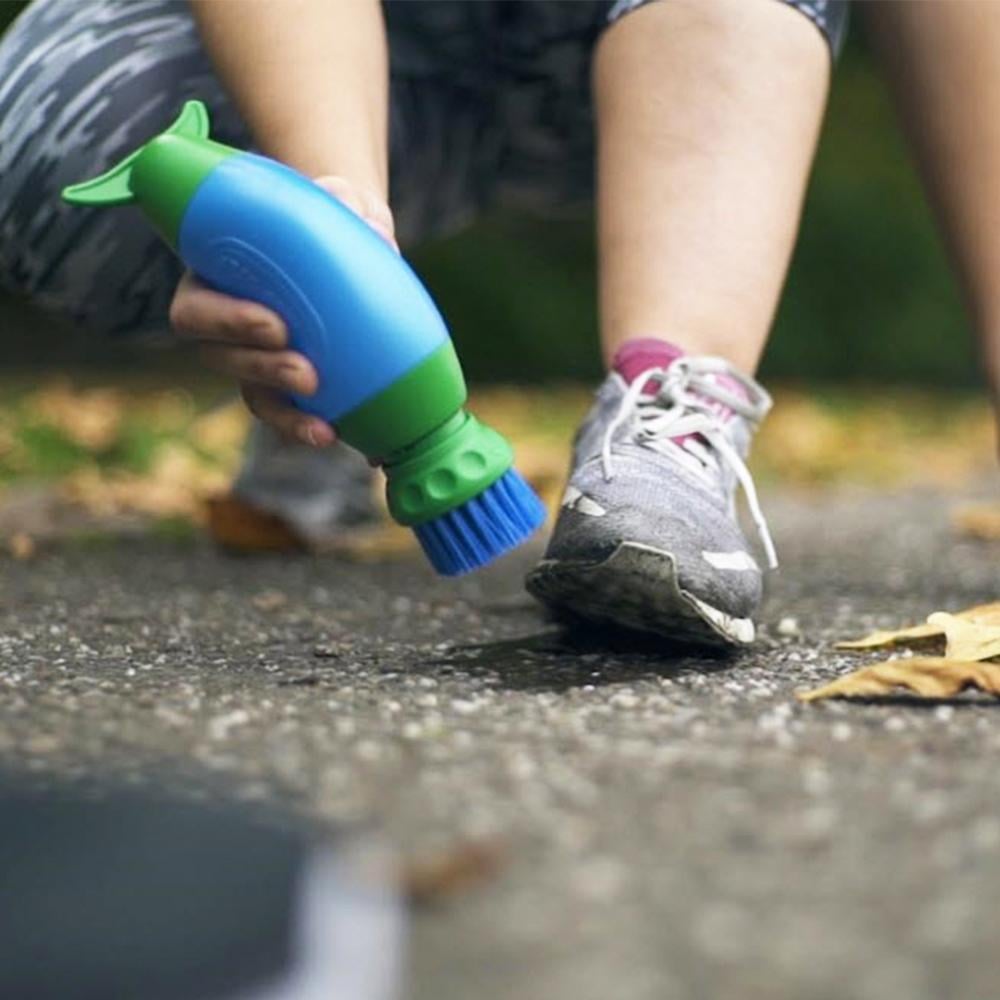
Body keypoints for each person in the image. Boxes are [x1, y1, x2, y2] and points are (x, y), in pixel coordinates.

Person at [0, 1, 995, 646]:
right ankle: (347, 417)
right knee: (66, 139)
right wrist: (331, 210)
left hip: (684, 46)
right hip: (393, 44)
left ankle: (671, 409)